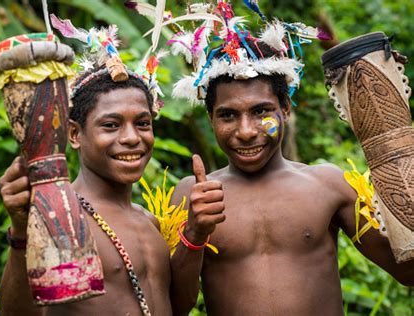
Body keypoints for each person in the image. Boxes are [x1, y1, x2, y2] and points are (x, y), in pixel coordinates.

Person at [168, 4, 414, 315]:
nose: (245, 131)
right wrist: (194, 234)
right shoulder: (193, 196)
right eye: (228, 115)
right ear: (211, 117)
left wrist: (398, 155)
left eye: (260, 112)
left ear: (285, 108)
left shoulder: (328, 185)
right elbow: (175, 306)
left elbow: (408, 271)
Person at [0, 23, 175, 315]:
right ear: (74, 134)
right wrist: (21, 232)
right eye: (110, 125)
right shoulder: (63, 219)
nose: (132, 138)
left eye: (143, 123)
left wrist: (193, 237)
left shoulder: (149, 222)